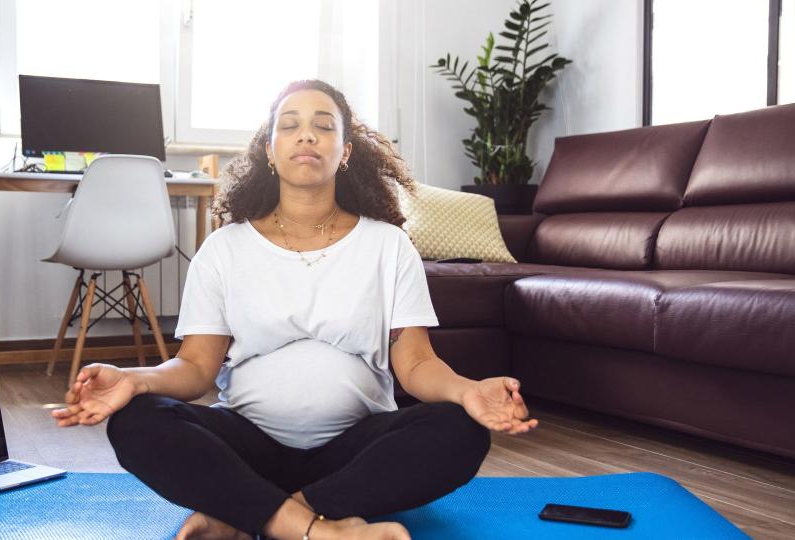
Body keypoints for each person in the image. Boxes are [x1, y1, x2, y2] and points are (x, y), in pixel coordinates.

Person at [52, 79, 538, 540]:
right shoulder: (224, 248)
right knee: (137, 420)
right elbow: (197, 367)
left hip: (356, 455)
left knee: (460, 429)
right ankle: (318, 526)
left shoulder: (388, 245)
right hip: (247, 450)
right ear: (269, 150)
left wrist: (468, 390)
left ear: (345, 152)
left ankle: (252, 515)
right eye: (289, 124)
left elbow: (415, 364)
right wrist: (137, 379)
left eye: (324, 125)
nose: (306, 133)